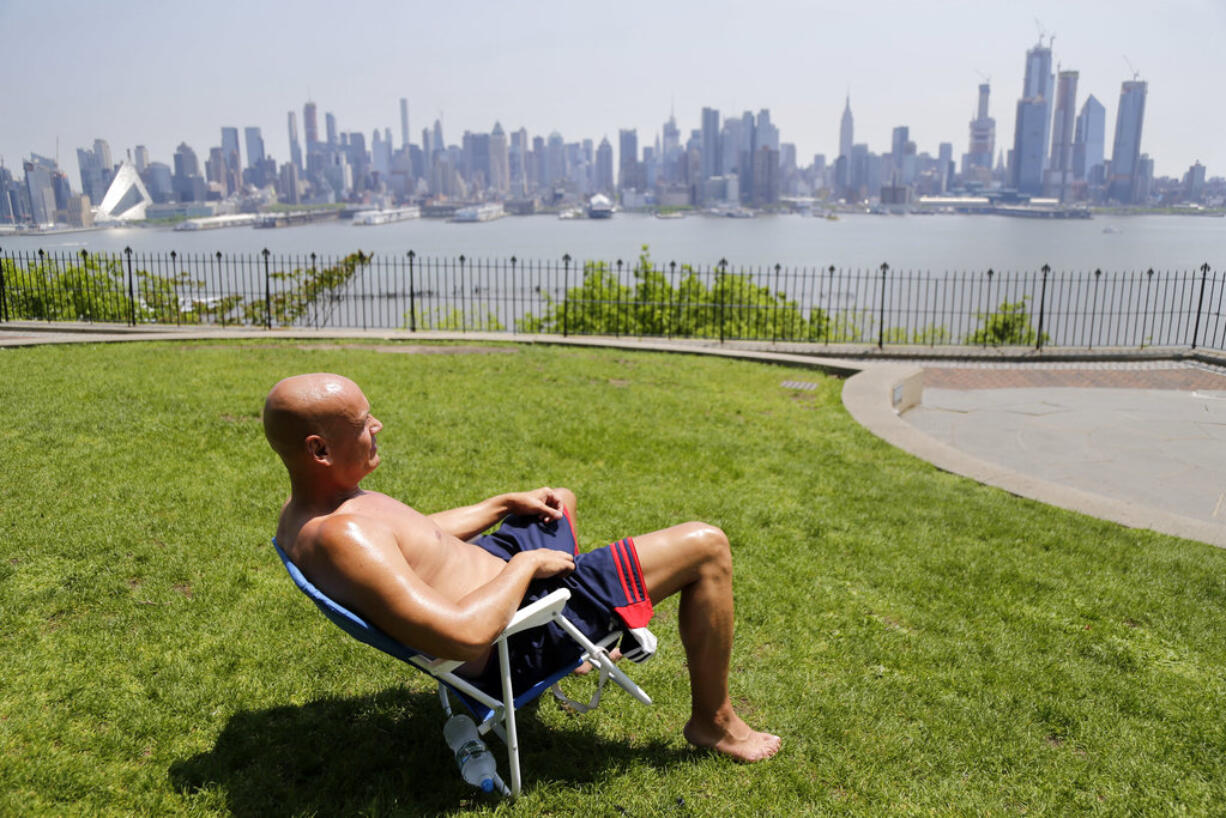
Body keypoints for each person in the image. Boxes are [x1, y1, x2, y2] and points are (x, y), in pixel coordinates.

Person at [263, 372, 781, 763]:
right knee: (707, 544)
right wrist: (528, 566)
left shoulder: (310, 509)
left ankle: (593, 623)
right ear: (320, 449)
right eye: (362, 423)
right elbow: (464, 637)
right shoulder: (343, 537)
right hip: (515, 634)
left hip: (496, 575)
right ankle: (713, 722)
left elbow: (409, 535)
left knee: (557, 501)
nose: (377, 427)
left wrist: (498, 504)